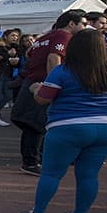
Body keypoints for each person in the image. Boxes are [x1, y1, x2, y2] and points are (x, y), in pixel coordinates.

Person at [19, 29, 107, 213]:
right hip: (105, 127)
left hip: (67, 126)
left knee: (51, 173)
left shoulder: (63, 71)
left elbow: (43, 99)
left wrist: (36, 89)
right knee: (89, 175)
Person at [11, 10, 85, 176]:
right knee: (37, 124)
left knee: (32, 124)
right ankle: (33, 162)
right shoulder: (63, 36)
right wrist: (55, 83)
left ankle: (33, 160)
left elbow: (29, 54)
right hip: (42, 83)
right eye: (83, 24)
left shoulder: (44, 37)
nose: (84, 27)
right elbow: (54, 57)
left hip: (32, 81)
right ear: (71, 23)